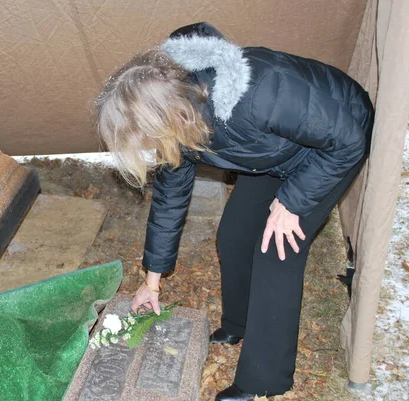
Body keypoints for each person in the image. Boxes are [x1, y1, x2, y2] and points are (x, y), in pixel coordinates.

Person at [94, 22, 374, 401]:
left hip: (332, 142)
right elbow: (170, 199)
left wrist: (292, 202)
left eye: (142, 138)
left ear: (167, 116)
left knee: (276, 251)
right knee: (234, 235)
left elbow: (347, 140)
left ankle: (264, 380)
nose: (145, 148)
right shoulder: (179, 120)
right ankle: (238, 324)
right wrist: (152, 280)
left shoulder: (260, 93)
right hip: (270, 151)